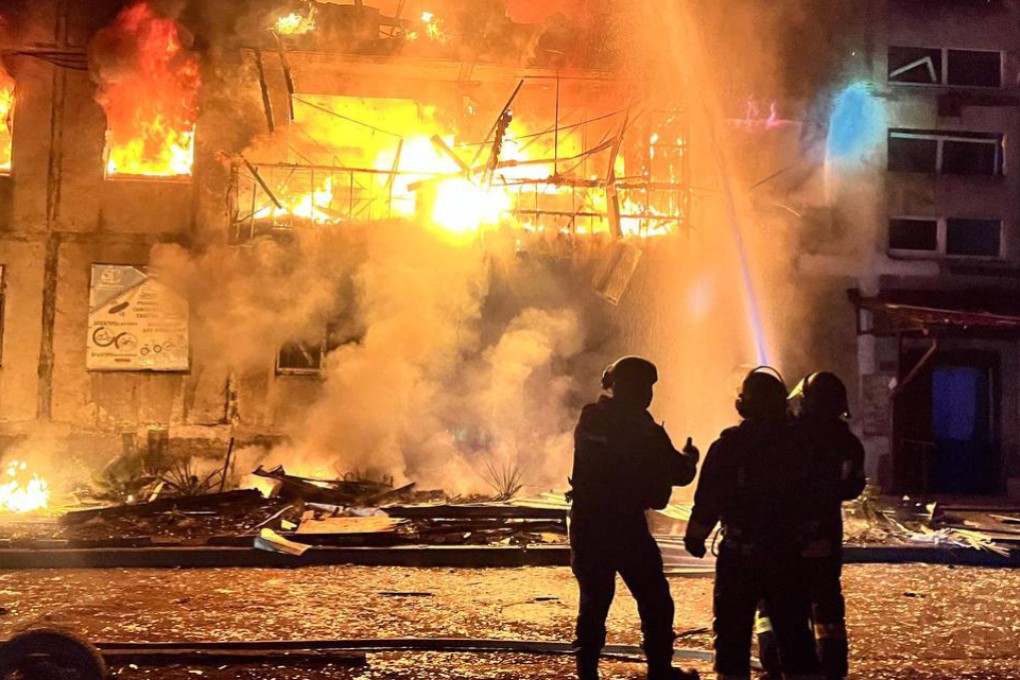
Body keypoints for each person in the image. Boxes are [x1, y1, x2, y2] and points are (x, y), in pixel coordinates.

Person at [684, 367, 822, 680]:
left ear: (743, 404)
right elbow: (816, 498)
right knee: (796, 637)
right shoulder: (801, 446)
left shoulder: (728, 446)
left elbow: (709, 499)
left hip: (739, 555)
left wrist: (695, 536)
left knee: (732, 639)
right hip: (787, 555)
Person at [569, 356, 701, 680]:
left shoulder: (593, 419)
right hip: (622, 525)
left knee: (596, 600)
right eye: (644, 387)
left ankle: (588, 672)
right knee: (653, 598)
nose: (647, 394)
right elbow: (679, 473)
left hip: (592, 524)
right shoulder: (643, 430)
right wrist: (689, 460)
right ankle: (659, 669)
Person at [756, 372, 866, 680]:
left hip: (785, 531)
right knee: (827, 599)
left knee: (776, 600)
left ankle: (775, 664)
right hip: (826, 530)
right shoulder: (847, 442)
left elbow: (767, 483)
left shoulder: (786, 437)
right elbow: (853, 487)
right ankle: (832, 666)